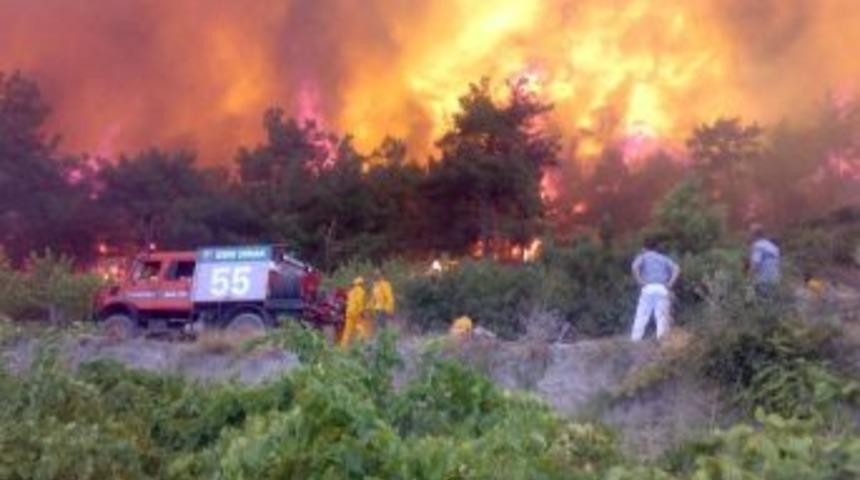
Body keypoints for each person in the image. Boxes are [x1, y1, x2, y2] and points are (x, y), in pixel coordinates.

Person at [630, 236, 681, 341]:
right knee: (661, 316)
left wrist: (640, 281)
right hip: (662, 288)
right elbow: (676, 268)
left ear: (645, 248)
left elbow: (634, 266)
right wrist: (670, 283)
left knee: (642, 315)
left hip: (648, 287)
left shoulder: (643, 256)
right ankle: (661, 340)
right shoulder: (663, 258)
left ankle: (635, 340)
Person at [748, 224, 781, 296]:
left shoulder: (758, 246)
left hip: (763, 283)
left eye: (750, 233)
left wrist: (748, 279)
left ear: (754, 235)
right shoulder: (773, 246)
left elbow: (755, 265)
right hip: (775, 281)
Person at [340, 277, 370, 346]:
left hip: (349, 313)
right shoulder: (361, 291)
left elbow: (348, 302)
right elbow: (359, 302)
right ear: (361, 283)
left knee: (347, 331)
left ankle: (343, 347)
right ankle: (361, 344)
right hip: (356, 312)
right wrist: (362, 312)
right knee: (360, 328)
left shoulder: (351, 292)